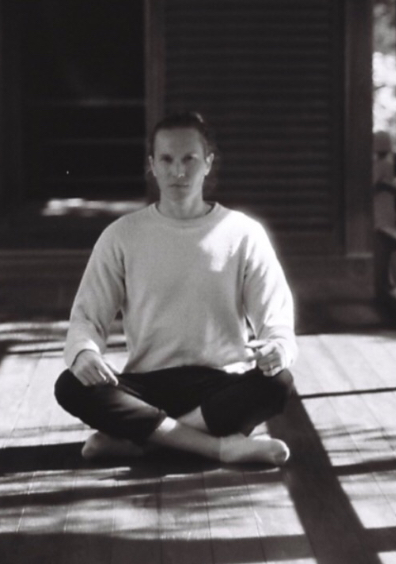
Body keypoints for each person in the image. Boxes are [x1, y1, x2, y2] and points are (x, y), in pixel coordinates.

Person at [54, 111, 297, 467]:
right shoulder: (122, 235)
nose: (178, 171)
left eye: (189, 159)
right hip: (146, 386)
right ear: (152, 165)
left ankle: (141, 441)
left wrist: (278, 347)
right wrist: (85, 353)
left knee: (278, 383)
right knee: (70, 384)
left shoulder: (243, 233)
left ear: (208, 163)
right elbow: (87, 318)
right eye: (166, 159)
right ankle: (218, 448)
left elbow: (276, 319)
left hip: (220, 386)